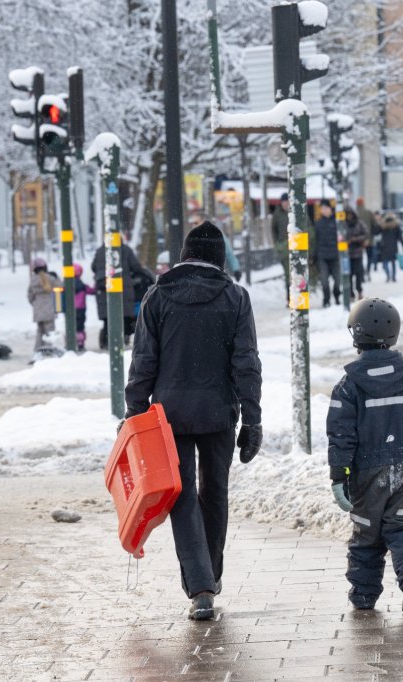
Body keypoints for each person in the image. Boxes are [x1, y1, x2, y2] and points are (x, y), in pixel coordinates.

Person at [125, 221, 262, 621]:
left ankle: (200, 586)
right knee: (214, 492)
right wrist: (252, 420)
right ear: (219, 259)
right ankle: (211, 574)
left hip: (169, 416)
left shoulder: (158, 296)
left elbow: (143, 362)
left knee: (182, 496)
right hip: (220, 413)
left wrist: (135, 413)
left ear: (185, 256)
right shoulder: (235, 298)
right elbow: (246, 364)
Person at [327, 297, 403, 613]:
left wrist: (339, 474)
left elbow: (340, 435)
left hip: (366, 471)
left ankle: (363, 595)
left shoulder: (349, 387)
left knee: (367, 531)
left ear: (356, 336)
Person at [92, 237, 155, 349]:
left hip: (103, 289)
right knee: (123, 315)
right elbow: (136, 267)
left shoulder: (100, 251)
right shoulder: (125, 250)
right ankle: (121, 338)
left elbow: (93, 267)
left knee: (108, 317)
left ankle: (106, 339)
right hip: (122, 287)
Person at [28, 258, 62, 352]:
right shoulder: (50, 278)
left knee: (40, 331)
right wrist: (56, 277)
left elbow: (29, 296)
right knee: (50, 331)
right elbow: (61, 286)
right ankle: (49, 349)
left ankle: (38, 350)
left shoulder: (33, 280)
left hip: (38, 311)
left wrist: (35, 304)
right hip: (49, 310)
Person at [313, 202, 341, 307]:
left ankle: (337, 297)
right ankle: (326, 300)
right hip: (322, 256)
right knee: (324, 281)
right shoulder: (318, 223)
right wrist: (314, 256)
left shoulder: (337, 222)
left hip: (335, 256)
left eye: (326, 208)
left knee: (337, 281)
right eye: (322, 208)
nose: (324, 210)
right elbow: (316, 240)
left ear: (330, 209)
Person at [271, 194, 291, 301]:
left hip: (295, 246)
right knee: (288, 274)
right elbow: (273, 229)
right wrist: (277, 244)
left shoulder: (294, 212)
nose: (286, 203)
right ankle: (289, 297)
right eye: (284, 201)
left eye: (287, 201)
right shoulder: (277, 214)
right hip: (283, 249)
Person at [345, 207, 367, 299]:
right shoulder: (343, 224)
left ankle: (359, 291)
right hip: (346, 253)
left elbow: (365, 234)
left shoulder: (359, 223)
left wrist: (355, 239)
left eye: (350, 214)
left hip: (358, 252)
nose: (349, 217)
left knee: (358, 273)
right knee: (348, 274)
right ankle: (350, 293)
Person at [73, 263, 96, 352]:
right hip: (81, 309)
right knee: (80, 327)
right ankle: (80, 343)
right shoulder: (82, 285)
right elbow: (91, 291)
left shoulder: (66, 284)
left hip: (71, 310)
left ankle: (71, 341)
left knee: (72, 326)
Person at [355, 198, 380, 280]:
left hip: (358, 240)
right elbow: (375, 223)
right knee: (370, 257)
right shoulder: (368, 212)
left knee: (360, 258)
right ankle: (368, 271)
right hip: (369, 239)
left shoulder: (355, 213)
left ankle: (361, 275)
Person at [379, 213, 403, 282]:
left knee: (385, 263)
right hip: (393, 247)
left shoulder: (383, 226)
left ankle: (388, 276)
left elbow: (376, 231)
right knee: (393, 263)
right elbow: (400, 236)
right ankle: (393, 277)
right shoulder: (396, 226)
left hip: (384, 246)